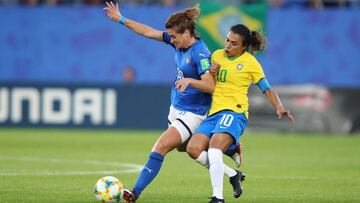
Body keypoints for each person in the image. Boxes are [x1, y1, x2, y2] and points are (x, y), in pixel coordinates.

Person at [103, 2, 242, 202]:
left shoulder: (200, 53)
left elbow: (210, 86)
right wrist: (121, 19)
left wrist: (189, 81)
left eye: (175, 36)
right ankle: (232, 170)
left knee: (160, 147)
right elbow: (149, 32)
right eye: (171, 36)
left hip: (193, 112)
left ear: (187, 33)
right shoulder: (177, 40)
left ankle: (134, 192)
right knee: (186, 149)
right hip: (176, 109)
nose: (172, 40)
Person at [186, 24, 295, 203]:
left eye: (234, 43)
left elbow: (266, 89)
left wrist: (279, 106)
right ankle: (233, 173)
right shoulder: (216, 56)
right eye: (227, 40)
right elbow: (210, 86)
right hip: (214, 113)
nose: (228, 45)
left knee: (214, 149)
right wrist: (212, 74)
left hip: (235, 112)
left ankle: (218, 198)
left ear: (243, 46)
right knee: (193, 149)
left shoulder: (251, 63)